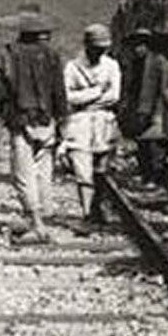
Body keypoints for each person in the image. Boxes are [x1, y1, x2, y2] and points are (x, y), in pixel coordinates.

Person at [0, 6, 68, 243]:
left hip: (20, 120)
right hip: (47, 120)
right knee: (43, 171)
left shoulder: (7, 55)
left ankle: (36, 224)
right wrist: (62, 120)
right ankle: (45, 216)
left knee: (23, 174)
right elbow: (60, 92)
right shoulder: (53, 56)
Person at [62, 23, 121, 232]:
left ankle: (99, 209)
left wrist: (85, 99)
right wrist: (96, 93)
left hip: (104, 123)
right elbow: (68, 96)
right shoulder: (72, 67)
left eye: (103, 48)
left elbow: (114, 95)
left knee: (102, 169)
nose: (100, 52)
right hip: (79, 123)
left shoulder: (111, 65)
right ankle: (87, 212)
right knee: (82, 169)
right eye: (96, 48)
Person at [134, 22, 168, 194]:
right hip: (160, 109)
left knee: (157, 146)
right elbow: (149, 89)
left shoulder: (160, 59)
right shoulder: (160, 59)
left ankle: (158, 181)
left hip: (164, 109)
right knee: (155, 145)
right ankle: (157, 180)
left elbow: (151, 89)